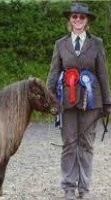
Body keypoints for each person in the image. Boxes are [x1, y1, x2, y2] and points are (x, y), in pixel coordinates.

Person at [46, 2, 111, 200]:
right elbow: (54, 72)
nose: (78, 20)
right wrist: (49, 99)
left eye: (82, 17)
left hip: (92, 102)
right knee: (69, 144)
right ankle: (68, 187)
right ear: (69, 20)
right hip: (66, 101)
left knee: (86, 144)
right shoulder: (60, 44)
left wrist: (108, 102)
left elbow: (102, 73)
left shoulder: (97, 43)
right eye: (74, 17)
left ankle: (84, 189)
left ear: (87, 21)